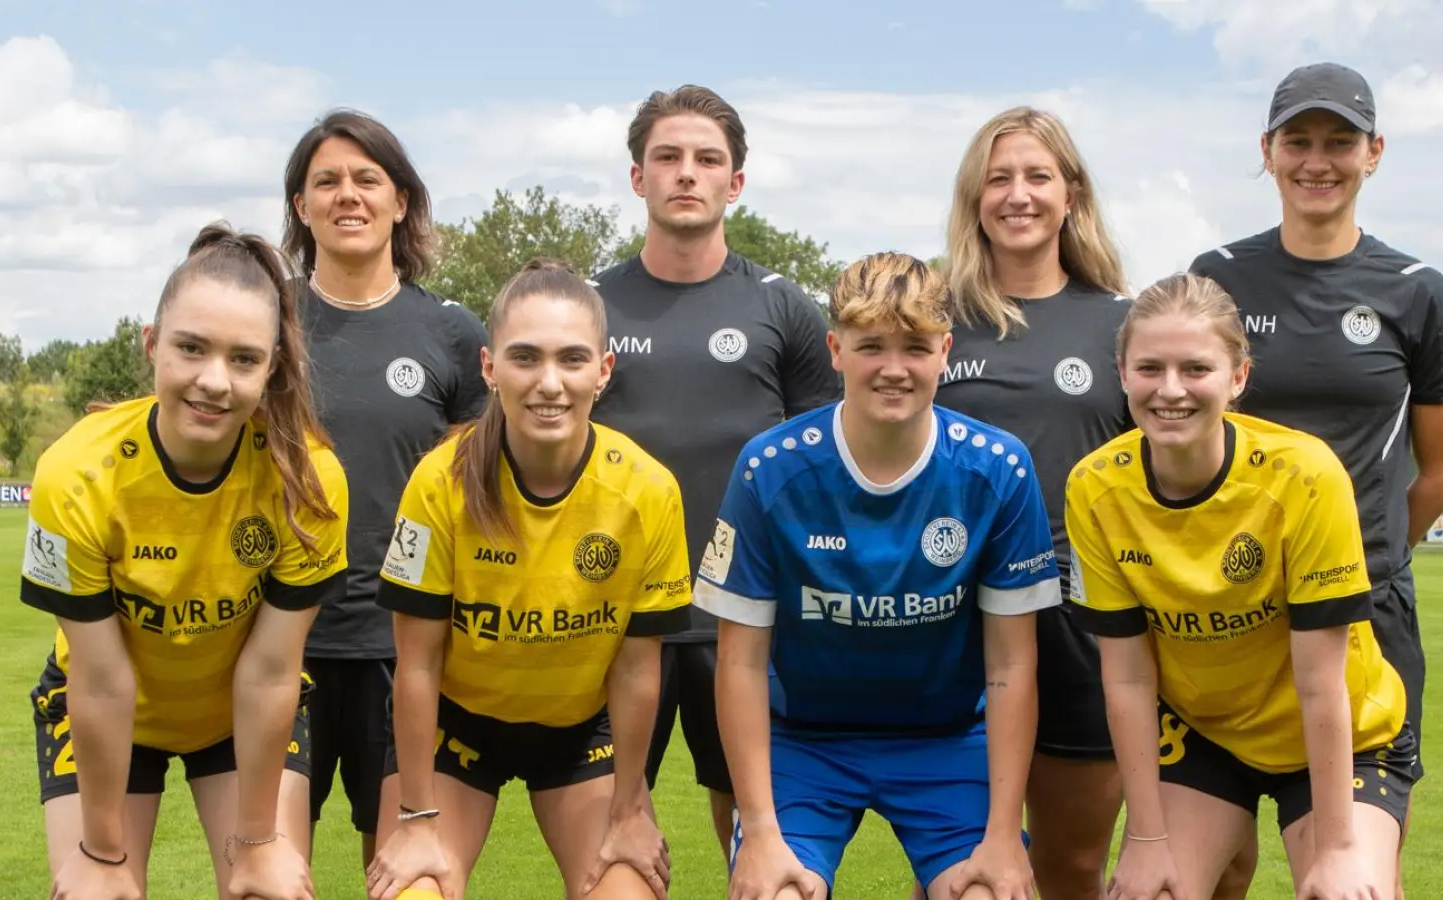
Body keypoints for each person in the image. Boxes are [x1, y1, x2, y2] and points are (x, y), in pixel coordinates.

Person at [696, 252, 1060, 900]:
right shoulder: (769, 469)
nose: (894, 368)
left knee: (990, 893)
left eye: (916, 347)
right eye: (871, 346)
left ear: (945, 350)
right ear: (835, 349)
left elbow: (1010, 666)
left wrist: (1004, 836)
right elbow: (741, 663)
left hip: (945, 741)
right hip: (805, 742)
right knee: (773, 893)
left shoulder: (998, 468)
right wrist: (759, 828)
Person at [1189, 61, 1443, 896]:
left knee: (1351, 876)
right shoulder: (1219, 274)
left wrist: (1349, 561)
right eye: (1299, 141)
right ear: (1268, 152)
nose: (1319, 161)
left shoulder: (1418, 292)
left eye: (1340, 142)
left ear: (1374, 153)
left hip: (1366, 612)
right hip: (1226, 608)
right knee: (1211, 867)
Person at [22, 223, 350, 900]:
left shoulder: (309, 480)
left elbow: (268, 671)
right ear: (151, 345)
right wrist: (103, 852)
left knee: (269, 890)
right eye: (191, 348)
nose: (213, 381)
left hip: (237, 707)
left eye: (243, 359)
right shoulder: (74, 472)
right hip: (111, 703)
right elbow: (102, 679)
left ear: (272, 369)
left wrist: (257, 843)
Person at [1065, 271, 1416, 900]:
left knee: (1345, 893)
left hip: (1341, 739)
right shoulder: (1093, 488)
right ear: (1122, 373)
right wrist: (1145, 841)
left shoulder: (1305, 475)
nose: (1170, 390)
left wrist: (1336, 851)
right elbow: (1126, 678)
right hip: (1204, 731)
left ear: (1238, 377)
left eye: (1195, 368)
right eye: (1150, 368)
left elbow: (1319, 682)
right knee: (1148, 893)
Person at [363, 261, 692, 900]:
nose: (549, 383)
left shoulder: (648, 491)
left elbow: (635, 670)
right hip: (456, 728)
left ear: (604, 369)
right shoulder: (439, 481)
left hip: (578, 730)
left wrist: (629, 808)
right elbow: (417, 665)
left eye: (572, 359)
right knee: (413, 893)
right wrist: (414, 819)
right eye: (525, 358)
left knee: (628, 892)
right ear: (489, 368)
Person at [588, 83, 841, 857]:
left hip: (750, 618)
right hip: (616, 618)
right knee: (609, 832)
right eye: (667, 158)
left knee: (758, 840)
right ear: (638, 178)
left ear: (736, 182)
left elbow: (828, 462)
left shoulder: (783, 307)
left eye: (707, 160)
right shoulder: (591, 304)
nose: (686, 174)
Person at [932, 105, 1134, 900]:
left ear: (1072, 194)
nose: (1018, 194)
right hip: (945, 617)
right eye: (998, 177)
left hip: (1081, 623)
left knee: (1071, 866)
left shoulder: (1121, 324)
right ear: (974, 197)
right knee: (954, 867)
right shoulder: (933, 316)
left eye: (1038, 176)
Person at [282, 108, 489, 871]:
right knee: (268, 874)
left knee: (404, 876)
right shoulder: (267, 327)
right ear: (301, 207)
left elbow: (483, 492)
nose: (348, 195)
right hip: (278, 644)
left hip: (404, 653)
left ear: (401, 201)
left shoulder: (452, 334)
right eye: (326, 181)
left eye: (368, 179)